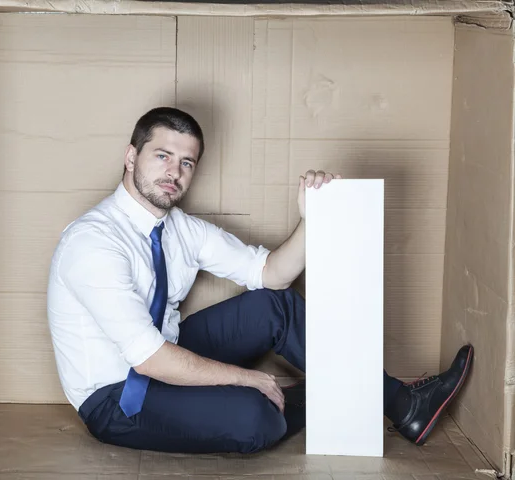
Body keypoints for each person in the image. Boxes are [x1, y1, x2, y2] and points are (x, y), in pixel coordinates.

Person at [47, 106, 473, 454]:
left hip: (167, 351)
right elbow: (148, 360)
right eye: (161, 155)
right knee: (255, 418)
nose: (173, 172)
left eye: (186, 162)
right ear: (130, 157)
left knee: (275, 304)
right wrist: (247, 376)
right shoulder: (93, 242)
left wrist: (311, 219)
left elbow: (271, 274)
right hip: (118, 396)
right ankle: (336, 393)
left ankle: (401, 403)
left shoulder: (180, 229)